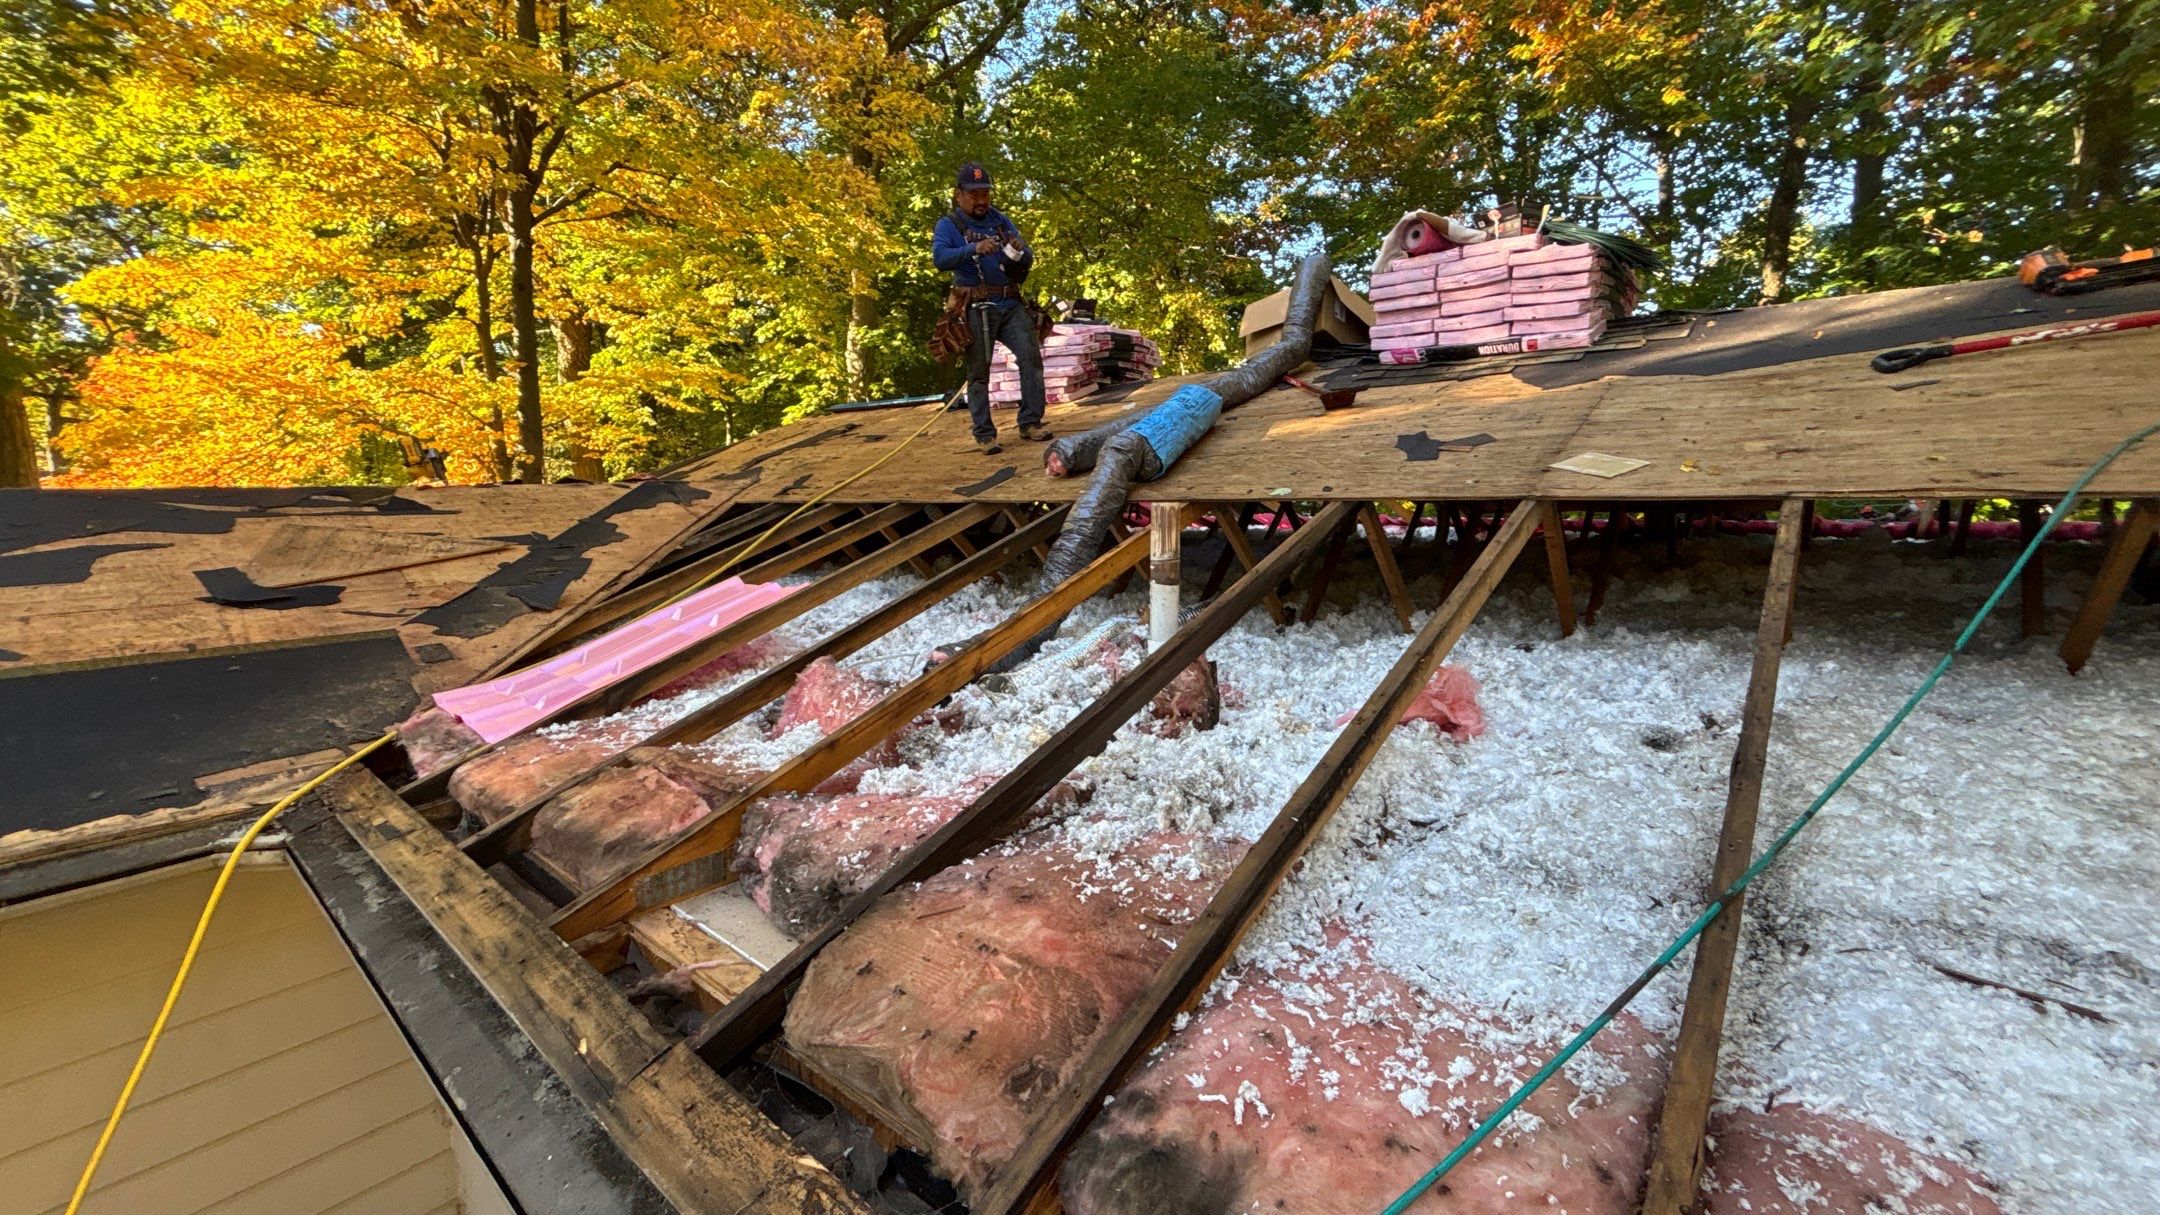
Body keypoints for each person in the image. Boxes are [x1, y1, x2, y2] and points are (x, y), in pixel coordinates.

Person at [933, 162, 1053, 455]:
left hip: (1010, 302)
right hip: (976, 305)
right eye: (974, 194)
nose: (981, 200)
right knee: (978, 370)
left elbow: (1027, 254)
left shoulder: (1000, 220)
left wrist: (1020, 250)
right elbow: (940, 259)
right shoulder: (949, 225)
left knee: (1031, 358)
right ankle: (985, 434)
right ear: (958, 195)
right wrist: (973, 249)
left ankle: (1030, 422)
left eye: (985, 193)